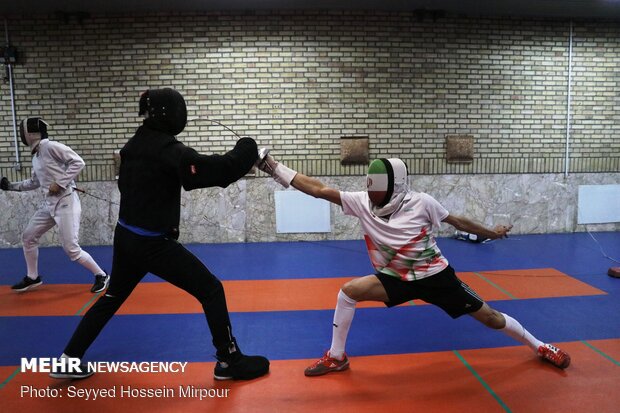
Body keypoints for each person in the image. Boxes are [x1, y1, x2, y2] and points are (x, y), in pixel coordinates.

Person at [256, 152, 571, 376]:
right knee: (349, 291)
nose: (371, 191)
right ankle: (337, 357)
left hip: (436, 277)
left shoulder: (421, 202)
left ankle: (541, 345)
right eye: (369, 184)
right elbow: (317, 188)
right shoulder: (361, 202)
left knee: (490, 318)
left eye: (377, 186)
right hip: (394, 278)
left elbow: (458, 221)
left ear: (396, 186)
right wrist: (273, 167)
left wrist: (492, 232)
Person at [49, 88, 269, 381]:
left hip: (126, 235)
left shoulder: (134, 144)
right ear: (171, 114)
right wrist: (248, 147)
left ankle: (68, 359)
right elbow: (217, 171)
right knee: (211, 289)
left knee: (112, 295)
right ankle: (229, 361)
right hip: (151, 243)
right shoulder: (168, 151)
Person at [1, 118, 109, 293]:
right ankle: (32, 277)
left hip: (66, 202)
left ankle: (101, 275)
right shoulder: (36, 155)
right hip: (50, 205)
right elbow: (34, 182)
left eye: (23, 131)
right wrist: (11, 186)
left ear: (31, 133)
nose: (21, 134)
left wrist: (60, 182)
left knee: (71, 249)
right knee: (28, 237)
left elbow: (78, 162)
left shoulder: (50, 147)